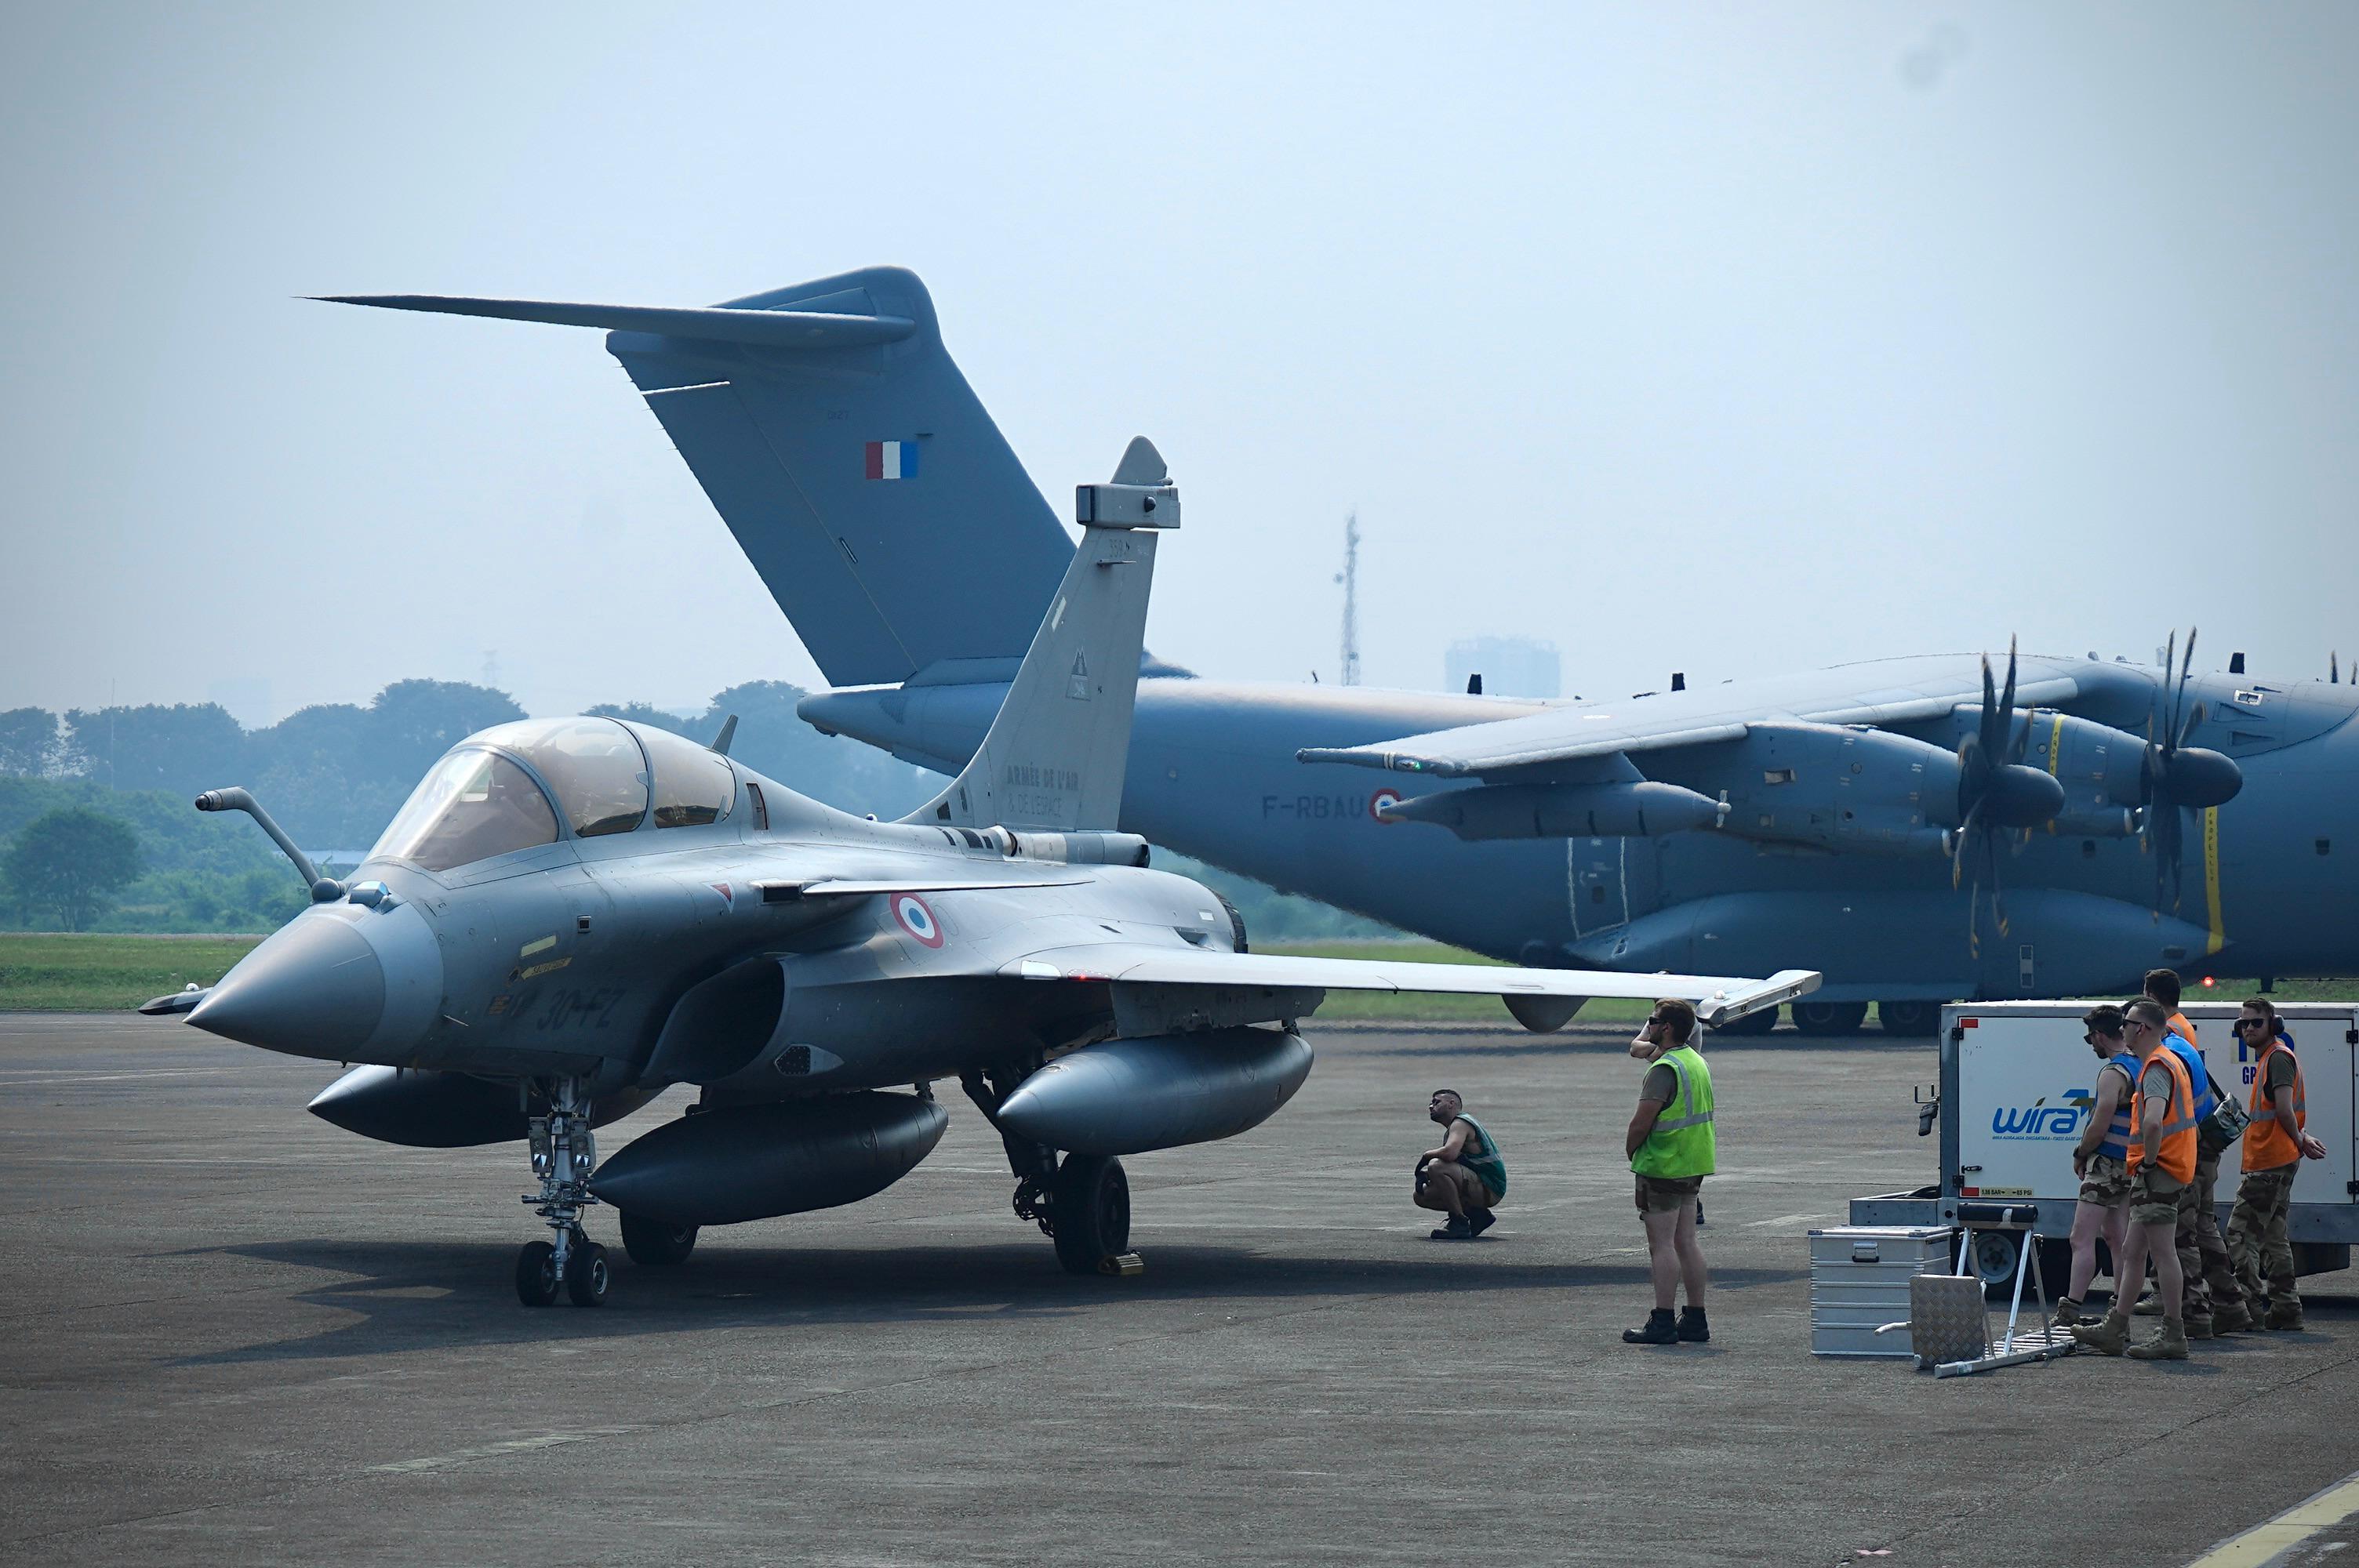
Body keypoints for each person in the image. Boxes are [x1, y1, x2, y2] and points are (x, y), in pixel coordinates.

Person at [2074, 999, 2197, 1360]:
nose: (2121, 1030)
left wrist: (2149, 1160)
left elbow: (2154, 1121)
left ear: (2141, 1028)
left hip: (2159, 1172)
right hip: (2165, 1170)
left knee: (2162, 1253)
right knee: (2132, 1251)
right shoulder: (2163, 1062)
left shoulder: (2157, 1065)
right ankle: (2116, 1326)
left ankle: (2174, 1334)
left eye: (2126, 1024)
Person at [2139, 968, 2241, 1335]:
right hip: (2200, 1149)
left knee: (2182, 1236)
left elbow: (2160, 1111)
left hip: (2185, 1153)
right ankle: (2231, 1304)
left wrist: (2150, 1160)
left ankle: (2194, 1311)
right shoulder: (2183, 1034)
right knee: (2203, 1228)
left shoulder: (2169, 1043)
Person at [2226, 997, 2328, 1329]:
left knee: (2239, 1234)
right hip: (2276, 1158)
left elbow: (2285, 1110)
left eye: (2256, 1022)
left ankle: (2249, 1308)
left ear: (2273, 1025)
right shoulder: (2272, 1059)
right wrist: (2301, 1138)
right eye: (2244, 1023)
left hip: (2270, 1161)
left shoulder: (2278, 1059)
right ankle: (2286, 1310)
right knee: (2273, 1237)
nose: (2249, 1029)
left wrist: (2300, 1139)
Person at [1623, 999, 1714, 1345]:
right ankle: (1695, 1318)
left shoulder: (1664, 1069)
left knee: (1661, 1245)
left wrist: (1632, 1151)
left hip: (1663, 1164)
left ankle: (1662, 1320)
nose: (1649, 1025)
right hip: (1693, 1163)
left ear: (1667, 1028)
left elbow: (1642, 1121)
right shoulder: (1695, 1061)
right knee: (1686, 1241)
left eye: (1653, 1020)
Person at [2057, 1005, 2135, 1328]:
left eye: (2091, 1039)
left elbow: (2100, 1123)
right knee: (2118, 1238)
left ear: (2101, 1035)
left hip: (2105, 1164)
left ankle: (2071, 1308)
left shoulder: (2113, 1072)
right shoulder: (2140, 1063)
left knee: (2080, 1237)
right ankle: (2119, 1315)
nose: (2092, 1046)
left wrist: (2080, 1152)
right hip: (2131, 1164)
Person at [1414, 1089, 1506, 1240]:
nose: (1431, 1106)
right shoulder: (1454, 1127)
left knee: (1436, 1166)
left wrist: (1425, 1157)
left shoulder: (1461, 1122)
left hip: (1490, 1186)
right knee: (1421, 1196)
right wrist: (1427, 1175)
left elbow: (1449, 1153)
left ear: (1451, 1104)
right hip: (1481, 1185)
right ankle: (1478, 1215)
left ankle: (1459, 1222)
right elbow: (1457, 1162)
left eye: (1436, 1102)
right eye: (1431, 1103)